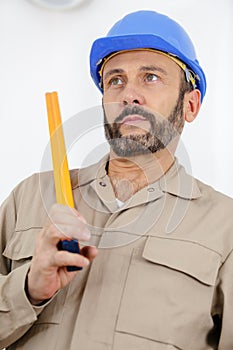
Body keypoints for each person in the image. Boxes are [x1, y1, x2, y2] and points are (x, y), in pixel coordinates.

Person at [0, 9, 233, 350]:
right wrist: (29, 289)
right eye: (116, 80)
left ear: (191, 105)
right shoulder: (31, 198)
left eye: (150, 77)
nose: (129, 94)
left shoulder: (225, 228)